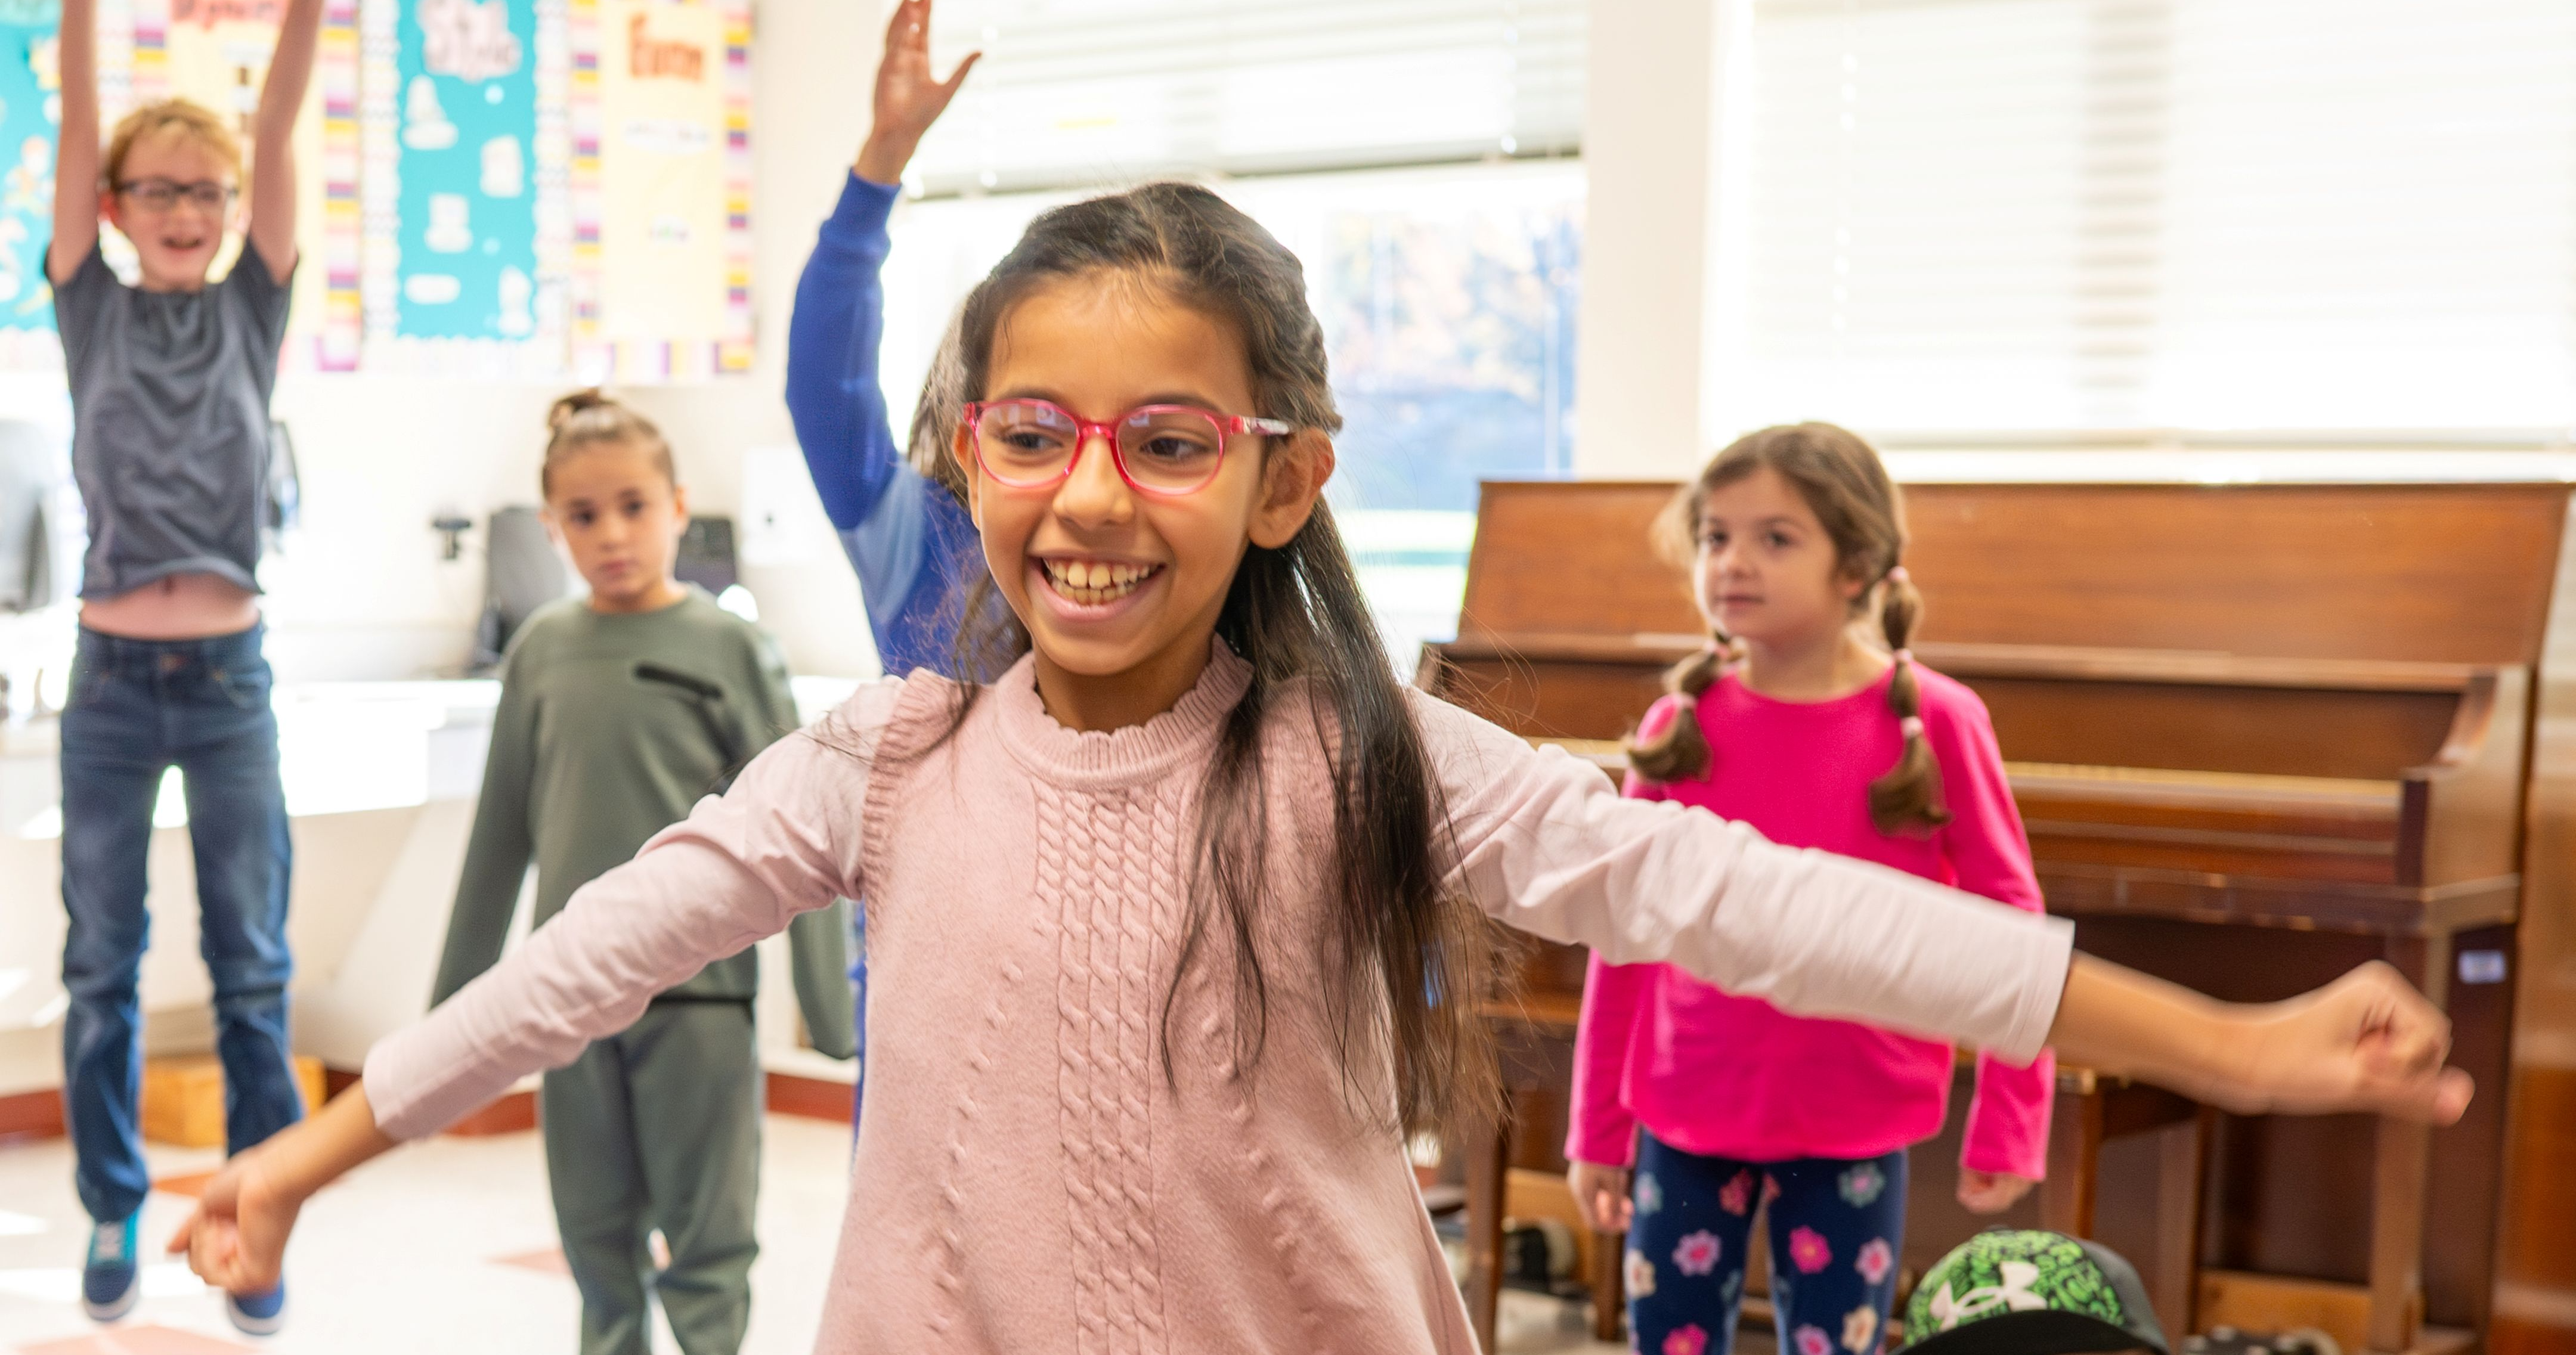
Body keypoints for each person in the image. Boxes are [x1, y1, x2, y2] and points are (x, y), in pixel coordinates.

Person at [170, 183, 2471, 1353]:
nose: (1091, 493)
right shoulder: (877, 757)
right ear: (968, 458)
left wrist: (2222, 1041)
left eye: (1168, 440)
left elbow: (1785, 906)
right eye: (1035, 433)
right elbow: (590, 955)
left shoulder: (1370, 761)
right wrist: (311, 1153)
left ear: (1281, 481)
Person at [1566, 424, 2054, 1355]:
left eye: (1775, 538)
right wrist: (1599, 1126)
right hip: (1684, 1114)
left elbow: (2013, 931)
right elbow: (1620, 938)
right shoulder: (1680, 725)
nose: (1733, 562)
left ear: (1858, 564)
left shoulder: (1940, 722)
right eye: (1715, 537)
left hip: (1854, 1123)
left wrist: (2010, 1121)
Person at [433, 392, 852, 1355]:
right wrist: (452, 1021)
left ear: (678, 506)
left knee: (708, 1250)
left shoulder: (731, 648)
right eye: (583, 516)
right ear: (551, 527)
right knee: (596, 1244)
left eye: (633, 506)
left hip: (700, 1005)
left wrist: (830, 1011)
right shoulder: (541, 654)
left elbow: (807, 823)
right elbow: (499, 837)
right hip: (570, 1007)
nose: (611, 534)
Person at [47, 0, 323, 1332]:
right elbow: (71, 124)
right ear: (111, 204)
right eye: (158, 187)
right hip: (106, 685)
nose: (188, 207)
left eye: (206, 192)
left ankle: (254, 1216)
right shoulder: (86, 305)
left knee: (251, 967)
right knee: (102, 959)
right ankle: (112, 1200)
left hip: (229, 687)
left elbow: (276, 124)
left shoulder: (252, 310)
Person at [782, 0, 980, 1122]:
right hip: (925, 950)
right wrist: (880, 169)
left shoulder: (1132, 544)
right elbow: (825, 384)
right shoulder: (914, 530)